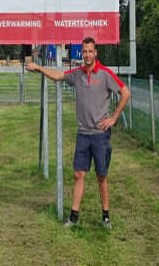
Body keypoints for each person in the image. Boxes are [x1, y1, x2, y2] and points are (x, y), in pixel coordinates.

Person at [25, 37, 130, 228]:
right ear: (82, 53)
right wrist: (39, 68)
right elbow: (58, 76)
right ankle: (74, 216)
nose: (87, 55)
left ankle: (105, 216)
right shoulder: (77, 74)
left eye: (91, 51)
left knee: (101, 176)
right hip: (83, 133)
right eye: (85, 51)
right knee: (78, 174)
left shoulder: (105, 74)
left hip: (100, 135)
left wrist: (113, 118)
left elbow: (125, 93)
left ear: (95, 53)